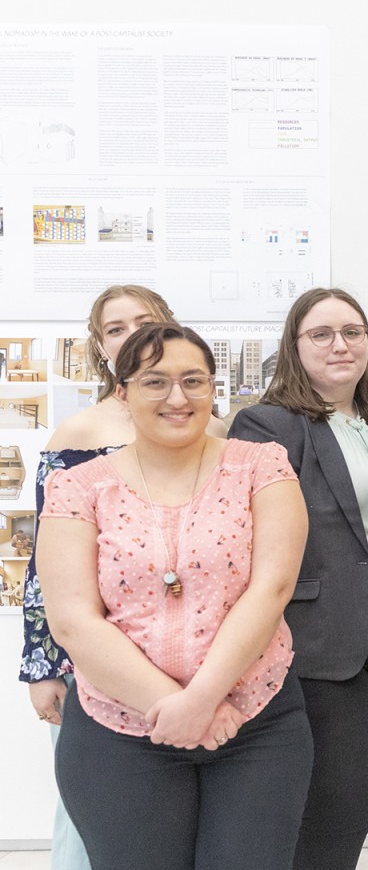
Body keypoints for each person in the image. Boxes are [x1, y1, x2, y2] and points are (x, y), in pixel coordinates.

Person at [35, 323, 312, 869]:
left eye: (193, 380)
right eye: (155, 382)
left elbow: (272, 588)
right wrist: (176, 706)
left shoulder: (263, 466)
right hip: (117, 732)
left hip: (256, 723)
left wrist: (201, 701)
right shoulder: (78, 487)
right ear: (123, 392)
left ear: (214, 387)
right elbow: (73, 621)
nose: (178, 398)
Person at [230, 288, 368, 870]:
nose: (341, 345)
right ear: (295, 346)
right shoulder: (268, 423)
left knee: (342, 794)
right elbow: (245, 532)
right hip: (320, 631)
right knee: (341, 807)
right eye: (322, 334)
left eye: (353, 331)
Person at [18, 284, 195, 870]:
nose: (131, 336)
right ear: (100, 346)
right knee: (86, 812)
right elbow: (45, 566)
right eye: (116, 328)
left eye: (143, 322)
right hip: (90, 653)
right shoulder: (75, 434)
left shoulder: (212, 429)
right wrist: (43, 668)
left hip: (186, 655)